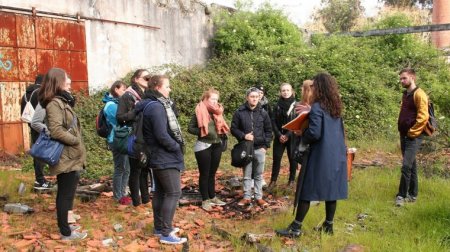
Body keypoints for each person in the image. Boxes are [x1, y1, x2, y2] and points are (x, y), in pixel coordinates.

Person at [276, 73, 348, 237]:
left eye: (314, 86)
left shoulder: (317, 107)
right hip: (336, 154)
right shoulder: (335, 106)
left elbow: (314, 133)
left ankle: (295, 228)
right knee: (331, 191)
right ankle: (328, 226)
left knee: (306, 189)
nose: (312, 88)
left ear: (320, 88)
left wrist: (302, 133)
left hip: (320, 155)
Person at [136, 75, 186, 245]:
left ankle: (159, 228)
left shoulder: (150, 104)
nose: (169, 89)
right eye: (167, 86)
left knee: (160, 192)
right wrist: (176, 147)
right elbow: (161, 135)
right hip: (164, 156)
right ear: (157, 88)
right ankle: (166, 232)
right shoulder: (157, 107)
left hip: (157, 156)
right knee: (173, 192)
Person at [38, 68, 87, 240]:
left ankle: (67, 227)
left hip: (71, 156)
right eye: (66, 79)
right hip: (66, 156)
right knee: (65, 195)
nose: (69, 82)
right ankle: (65, 232)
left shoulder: (62, 101)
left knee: (68, 194)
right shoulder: (54, 104)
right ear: (59, 81)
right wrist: (75, 140)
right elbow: (56, 131)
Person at [188, 88, 230, 211]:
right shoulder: (199, 110)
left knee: (212, 173)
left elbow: (221, 125)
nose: (214, 101)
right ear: (206, 99)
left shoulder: (218, 111)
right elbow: (190, 128)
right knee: (205, 174)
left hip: (216, 144)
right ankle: (205, 199)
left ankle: (212, 197)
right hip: (203, 146)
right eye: (212, 99)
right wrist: (202, 132)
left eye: (216, 99)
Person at [231, 87, 273, 208]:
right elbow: (233, 128)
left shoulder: (263, 113)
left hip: (260, 148)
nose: (254, 99)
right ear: (247, 98)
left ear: (259, 98)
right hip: (246, 148)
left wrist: (266, 146)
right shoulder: (240, 112)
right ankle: (247, 197)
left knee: (259, 175)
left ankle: (259, 197)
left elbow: (269, 131)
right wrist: (243, 136)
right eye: (252, 97)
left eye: (256, 97)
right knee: (247, 174)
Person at [116, 69, 151, 208]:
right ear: (136, 79)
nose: (148, 80)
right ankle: (136, 202)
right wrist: (136, 111)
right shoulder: (128, 96)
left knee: (145, 169)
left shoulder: (147, 95)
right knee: (135, 170)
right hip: (134, 137)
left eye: (150, 78)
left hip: (146, 136)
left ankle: (146, 199)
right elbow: (120, 117)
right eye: (145, 77)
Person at [395, 68, 429, 207]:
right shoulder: (406, 94)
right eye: (401, 78)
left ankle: (401, 196)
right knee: (412, 165)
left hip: (413, 137)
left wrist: (412, 133)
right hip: (404, 135)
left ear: (412, 78)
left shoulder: (419, 94)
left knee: (406, 166)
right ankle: (413, 194)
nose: (401, 81)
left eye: (404, 78)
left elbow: (423, 117)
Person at [21, 74, 53, 189]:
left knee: (36, 150)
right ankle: (40, 180)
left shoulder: (25, 94)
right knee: (40, 152)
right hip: (40, 125)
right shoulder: (40, 93)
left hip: (31, 125)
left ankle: (38, 178)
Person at [103, 81, 131, 204]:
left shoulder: (118, 103)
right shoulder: (110, 105)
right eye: (123, 89)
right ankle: (118, 196)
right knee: (120, 168)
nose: (125, 92)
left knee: (127, 168)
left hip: (125, 138)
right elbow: (121, 119)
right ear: (116, 89)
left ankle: (123, 192)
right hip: (116, 139)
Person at [268, 83, 298, 189]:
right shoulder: (277, 106)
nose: (285, 92)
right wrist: (279, 134)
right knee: (276, 158)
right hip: (279, 136)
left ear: (292, 91)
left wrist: (288, 135)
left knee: (292, 158)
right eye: (283, 90)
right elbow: (273, 121)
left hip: (292, 136)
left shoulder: (297, 106)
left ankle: (292, 180)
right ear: (280, 92)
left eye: (287, 90)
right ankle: (273, 181)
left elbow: (297, 122)